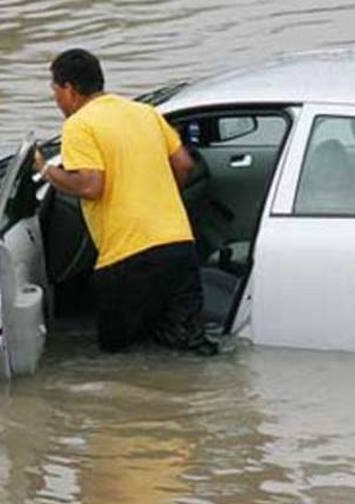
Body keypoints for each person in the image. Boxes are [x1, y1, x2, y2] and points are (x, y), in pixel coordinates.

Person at [33, 49, 217, 356]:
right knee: (189, 346)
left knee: (120, 358)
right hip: (179, 247)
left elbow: (91, 185)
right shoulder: (145, 112)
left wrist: (45, 170)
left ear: (69, 88)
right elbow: (184, 165)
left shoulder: (79, 124)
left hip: (128, 258)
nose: (56, 100)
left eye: (54, 91)